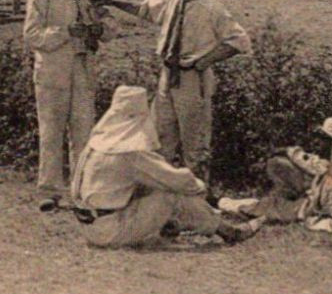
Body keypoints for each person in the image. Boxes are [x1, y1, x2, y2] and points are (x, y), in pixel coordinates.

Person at [96, 0, 250, 187]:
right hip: (167, 78)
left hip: (192, 80)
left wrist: (203, 61)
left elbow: (239, 41)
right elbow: (144, 10)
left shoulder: (212, 9)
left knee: (195, 142)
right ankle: (163, 193)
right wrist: (112, 1)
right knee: (160, 138)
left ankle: (199, 196)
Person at [70, 86, 254, 247]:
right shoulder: (131, 153)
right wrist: (198, 186)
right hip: (111, 231)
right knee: (171, 194)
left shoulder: (95, 145)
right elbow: (180, 181)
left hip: (89, 228)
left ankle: (171, 224)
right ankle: (229, 231)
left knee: (151, 188)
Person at [22, 0, 105, 207]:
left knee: (84, 129)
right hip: (53, 71)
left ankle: (82, 190)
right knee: (51, 130)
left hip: (82, 68)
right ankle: (49, 191)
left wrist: (99, 29)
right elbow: (32, 35)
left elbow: (108, 21)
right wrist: (65, 33)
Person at [219, 117, 332, 244]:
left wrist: (312, 221)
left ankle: (225, 205)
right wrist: (289, 151)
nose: (319, 142)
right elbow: (312, 163)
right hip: (318, 198)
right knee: (278, 169)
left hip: (316, 206)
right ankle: (227, 204)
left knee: (272, 208)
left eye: (324, 138)